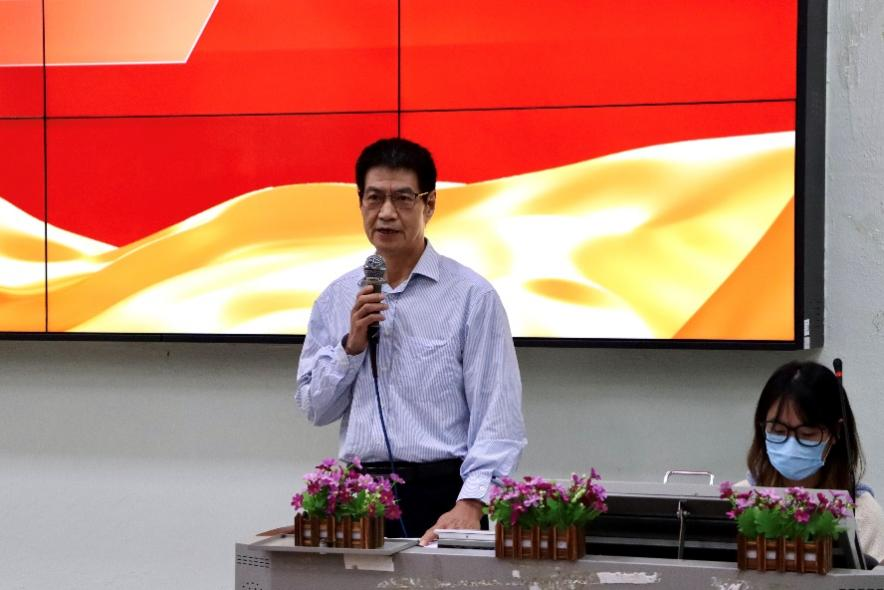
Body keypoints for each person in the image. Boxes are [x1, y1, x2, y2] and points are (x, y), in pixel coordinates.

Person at [295, 137, 526, 545]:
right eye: (374, 198)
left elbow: (497, 414)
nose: (386, 213)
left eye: (402, 198)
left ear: (429, 204)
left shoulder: (472, 297)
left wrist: (472, 503)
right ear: (360, 202)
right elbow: (315, 408)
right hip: (359, 499)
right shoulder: (336, 297)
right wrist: (351, 348)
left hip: (442, 496)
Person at [740, 360, 884, 563]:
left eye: (807, 434)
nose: (790, 445)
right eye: (778, 431)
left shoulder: (863, 515)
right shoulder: (740, 501)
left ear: (836, 432)